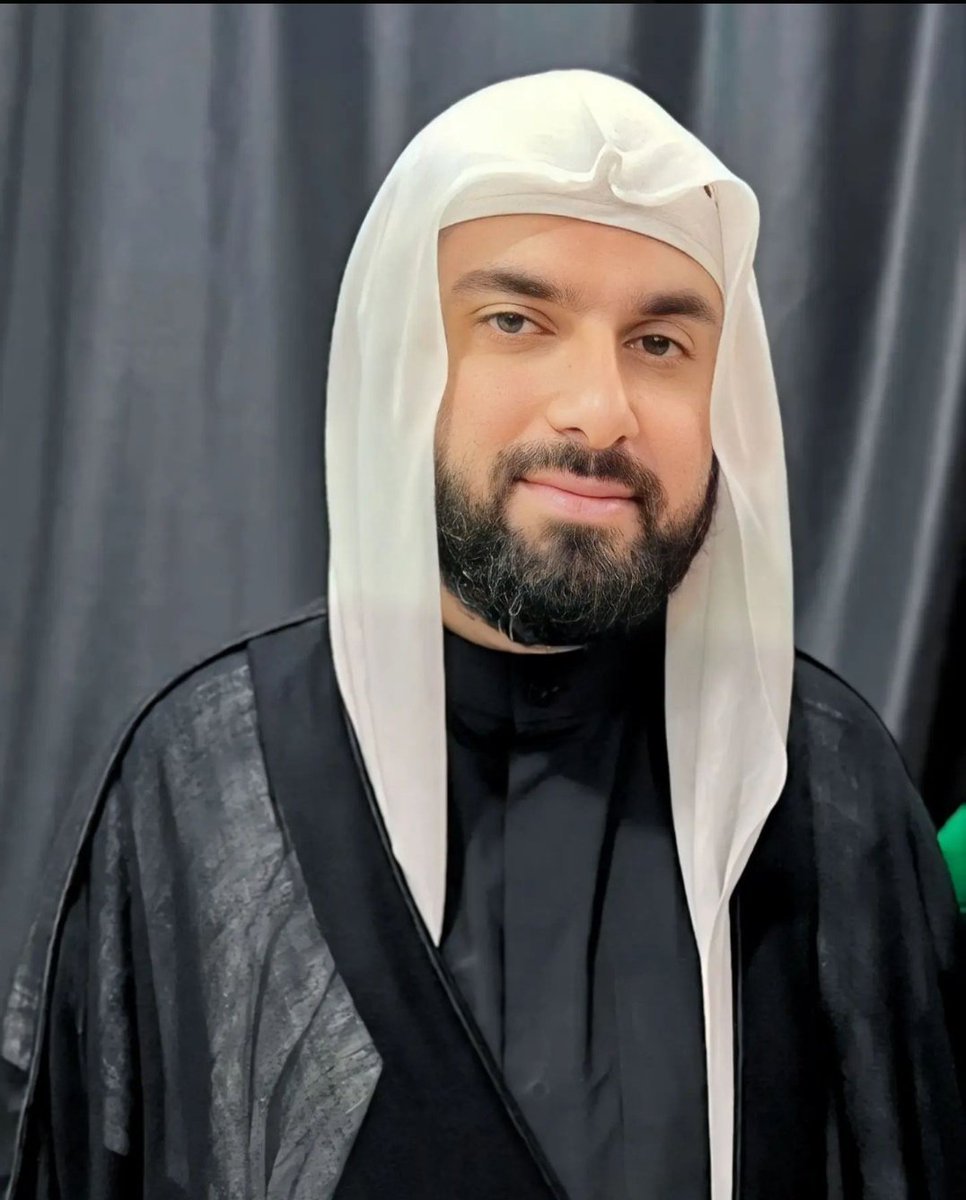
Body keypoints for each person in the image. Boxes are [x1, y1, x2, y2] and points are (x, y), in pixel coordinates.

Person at [2, 70, 963, 1200]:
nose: (598, 409)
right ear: (404, 360)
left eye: (661, 343)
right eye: (516, 321)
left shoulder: (827, 788)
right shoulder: (199, 791)